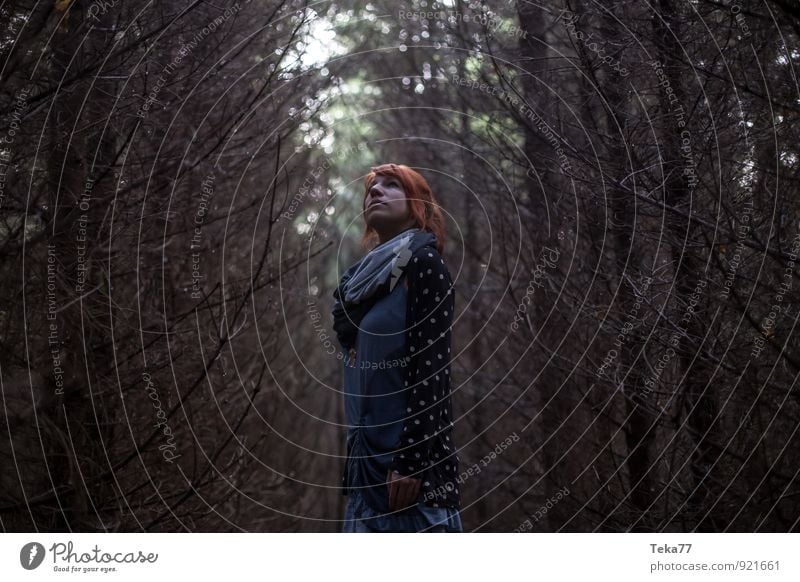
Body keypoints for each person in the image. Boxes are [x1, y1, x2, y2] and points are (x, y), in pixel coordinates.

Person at [332, 163, 462, 533]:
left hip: (408, 480)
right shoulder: (363, 284)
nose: (376, 191)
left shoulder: (425, 264)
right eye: (373, 187)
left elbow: (432, 370)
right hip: (366, 471)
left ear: (417, 204)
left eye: (392, 186)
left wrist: (411, 462)